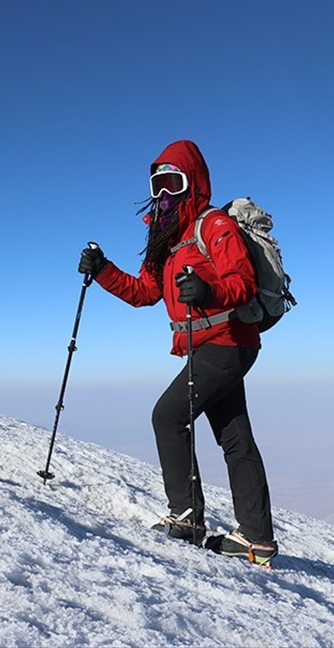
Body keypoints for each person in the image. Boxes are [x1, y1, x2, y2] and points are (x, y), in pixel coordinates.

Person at [77, 139, 278, 569]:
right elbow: (144, 293)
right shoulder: (167, 239)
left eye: (174, 182)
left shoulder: (214, 225)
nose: (166, 193)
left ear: (194, 182)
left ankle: (187, 519)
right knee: (235, 437)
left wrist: (208, 291)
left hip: (228, 342)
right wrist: (104, 270)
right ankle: (256, 539)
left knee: (168, 416)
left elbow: (240, 281)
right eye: (159, 184)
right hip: (215, 346)